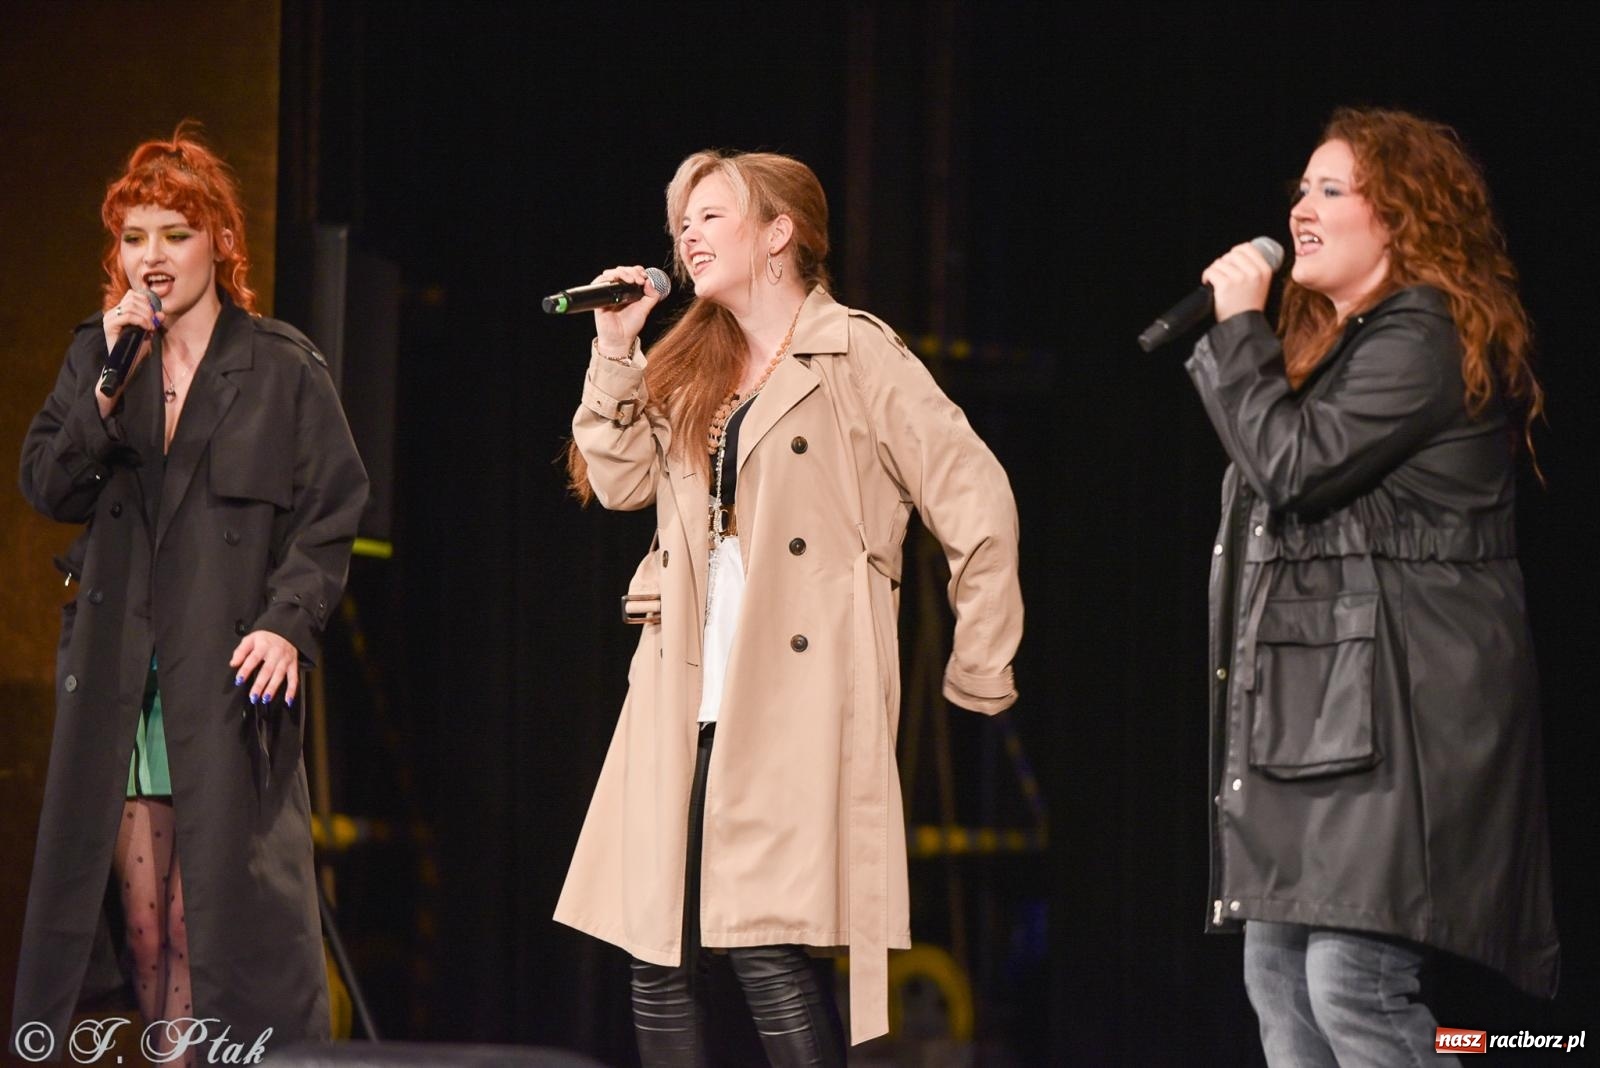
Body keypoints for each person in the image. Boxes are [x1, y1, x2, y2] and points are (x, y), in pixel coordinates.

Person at [554, 150, 1023, 1064]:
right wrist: (616, 348)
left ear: (780, 234)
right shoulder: (691, 360)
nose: (687, 235)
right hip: (681, 683)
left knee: (763, 948)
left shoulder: (856, 353)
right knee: (656, 954)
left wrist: (981, 657)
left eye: (712, 215)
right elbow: (616, 484)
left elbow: (976, 494)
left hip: (795, 692)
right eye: (681, 221)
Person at [1186, 107, 1559, 1066]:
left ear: (1401, 218)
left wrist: (1236, 330)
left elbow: (1294, 465)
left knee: (1351, 984)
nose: (1301, 210)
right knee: (1279, 979)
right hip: (1321, 723)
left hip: (1403, 718)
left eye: (1332, 191)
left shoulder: (1424, 335)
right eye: (1301, 190)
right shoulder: (1342, 350)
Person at [11, 124, 367, 1064]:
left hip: (224, 678)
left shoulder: (281, 365)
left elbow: (332, 511)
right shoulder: (102, 354)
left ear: (219, 242)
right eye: (134, 238)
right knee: (146, 932)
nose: (153, 257)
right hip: (126, 678)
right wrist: (100, 392)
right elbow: (47, 486)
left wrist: (289, 624)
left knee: (214, 924)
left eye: (174, 233)